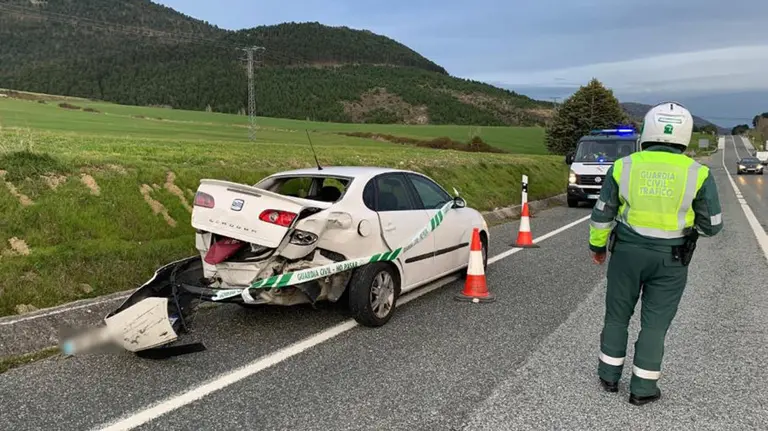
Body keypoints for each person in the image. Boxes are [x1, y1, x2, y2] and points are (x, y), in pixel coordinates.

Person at [588, 101, 723, 406]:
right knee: (655, 324)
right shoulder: (698, 173)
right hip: (671, 260)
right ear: (684, 135)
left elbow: (602, 214)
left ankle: (609, 376)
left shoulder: (624, 166)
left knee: (617, 315)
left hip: (626, 254)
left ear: (648, 131)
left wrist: (597, 247)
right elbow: (713, 225)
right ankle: (642, 389)